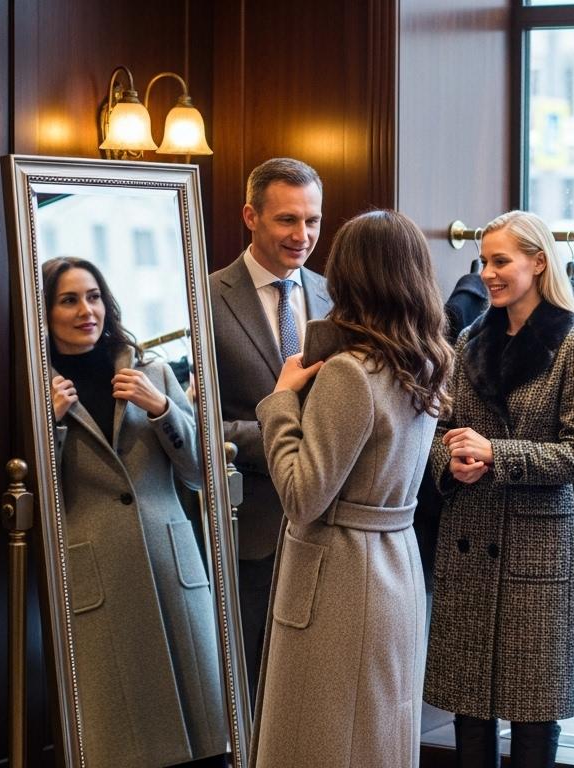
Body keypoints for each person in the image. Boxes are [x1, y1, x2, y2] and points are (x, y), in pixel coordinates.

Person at [248, 210, 452, 767]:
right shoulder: (425, 361)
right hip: (396, 565)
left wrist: (281, 401)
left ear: (348, 276)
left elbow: (301, 495)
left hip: (337, 572)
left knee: (322, 741)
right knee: (377, 733)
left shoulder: (349, 372)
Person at [424, 210, 574, 768]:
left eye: (501, 261)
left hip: (536, 552)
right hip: (468, 541)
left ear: (538, 262)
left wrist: (495, 455)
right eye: (484, 261)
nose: (489, 273)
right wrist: (450, 462)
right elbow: (433, 429)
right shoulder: (470, 336)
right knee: (468, 709)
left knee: (533, 713)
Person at [45, 256, 226, 766]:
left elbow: (199, 471)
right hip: (99, 575)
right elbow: (41, 498)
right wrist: (52, 427)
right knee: (124, 739)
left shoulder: (153, 371)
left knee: (205, 732)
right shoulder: (37, 391)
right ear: (46, 311)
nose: (87, 310)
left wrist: (163, 409)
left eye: (94, 296)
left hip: (171, 567)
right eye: (70, 299)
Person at [208, 157, 331, 695]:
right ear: (250, 217)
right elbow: (198, 426)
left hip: (329, 530)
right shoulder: (203, 298)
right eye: (287, 220)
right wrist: (292, 443)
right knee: (250, 690)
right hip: (249, 530)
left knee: (311, 692)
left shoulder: (335, 296)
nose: (301, 235)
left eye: (312, 221)